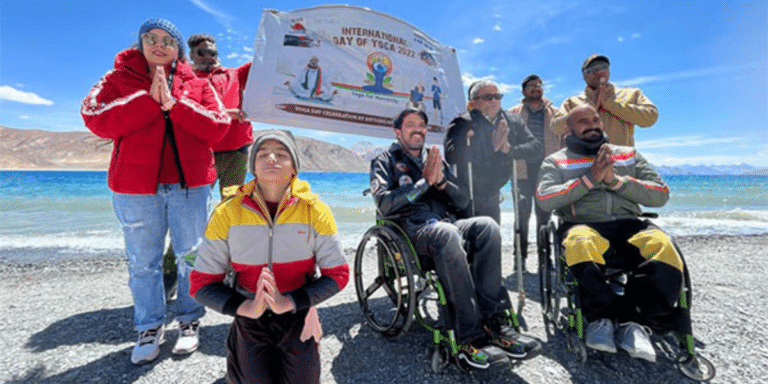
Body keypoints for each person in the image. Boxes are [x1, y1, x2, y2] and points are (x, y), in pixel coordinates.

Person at [81, 18, 231, 365]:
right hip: (136, 188)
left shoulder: (197, 83)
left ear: (178, 49)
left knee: (191, 255)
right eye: (152, 38)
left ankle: (189, 322)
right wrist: (147, 102)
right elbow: (93, 117)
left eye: (168, 40)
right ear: (141, 43)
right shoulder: (118, 78)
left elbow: (219, 127)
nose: (160, 45)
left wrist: (175, 106)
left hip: (189, 187)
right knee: (143, 262)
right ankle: (149, 327)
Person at [370, 108, 542, 370]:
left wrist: (441, 184)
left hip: (443, 223)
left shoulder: (435, 158)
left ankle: (494, 323)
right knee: (447, 233)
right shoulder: (385, 160)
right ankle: (468, 337)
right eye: (411, 125)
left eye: (422, 125)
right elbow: (384, 203)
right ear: (398, 131)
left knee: (487, 226)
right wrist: (423, 184)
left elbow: (462, 200)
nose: (418, 129)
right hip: (410, 230)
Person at [190, 130, 349, 384]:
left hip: (296, 311)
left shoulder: (315, 210)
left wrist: (293, 303)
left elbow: (338, 274)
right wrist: (246, 309)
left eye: (282, 153)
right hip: (250, 313)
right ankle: (238, 343)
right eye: (262, 154)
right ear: (252, 165)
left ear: (294, 166)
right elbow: (201, 283)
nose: (271, 158)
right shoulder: (228, 212)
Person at [536, 104, 681, 362]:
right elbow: (545, 199)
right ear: (568, 129)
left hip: (628, 223)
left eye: (595, 119)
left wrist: (616, 182)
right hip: (584, 224)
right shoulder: (556, 161)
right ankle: (601, 318)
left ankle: (635, 323)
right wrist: (589, 179)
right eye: (582, 121)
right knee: (580, 242)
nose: (592, 124)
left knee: (662, 245)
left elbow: (660, 194)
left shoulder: (628, 155)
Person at [444, 79, 541, 224]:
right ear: (474, 102)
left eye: (498, 96)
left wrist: (509, 149)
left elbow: (536, 148)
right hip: (468, 194)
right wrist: (492, 147)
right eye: (488, 97)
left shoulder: (513, 121)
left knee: (492, 238)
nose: (494, 101)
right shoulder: (462, 123)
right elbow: (452, 155)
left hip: (494, 193)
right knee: (469, 240)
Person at [188, 33, 254, 197]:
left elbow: (263, 63)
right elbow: (187, 111)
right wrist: (223, 114)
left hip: (236, 151)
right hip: (202, 153)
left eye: (213, 53)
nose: (209, 57)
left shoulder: (235, 74)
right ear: (192, 54)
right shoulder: (185, 79)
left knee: (232, 204)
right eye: (202, 53)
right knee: (197, 203)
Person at [507, 75, 561, 270]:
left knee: (544, 215)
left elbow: (563, 141)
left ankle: (545, 260)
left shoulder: (555, 113)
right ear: (523, 91)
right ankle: (519, 259)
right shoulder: (513, 113)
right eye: (531, 86)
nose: (536, 88)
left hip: (547, 170)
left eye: (539, 85)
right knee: (521, 214)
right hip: (521, 169)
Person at [552, 54, 658, 147]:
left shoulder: (632, 94)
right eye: (591, 70)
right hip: (584, 166)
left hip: (621, 164)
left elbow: (651, 117)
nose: (598, 72)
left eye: (603, 67)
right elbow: (556, 127)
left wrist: (609, 105)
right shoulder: (571, 102)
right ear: (584, 76)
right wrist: (589, 109)